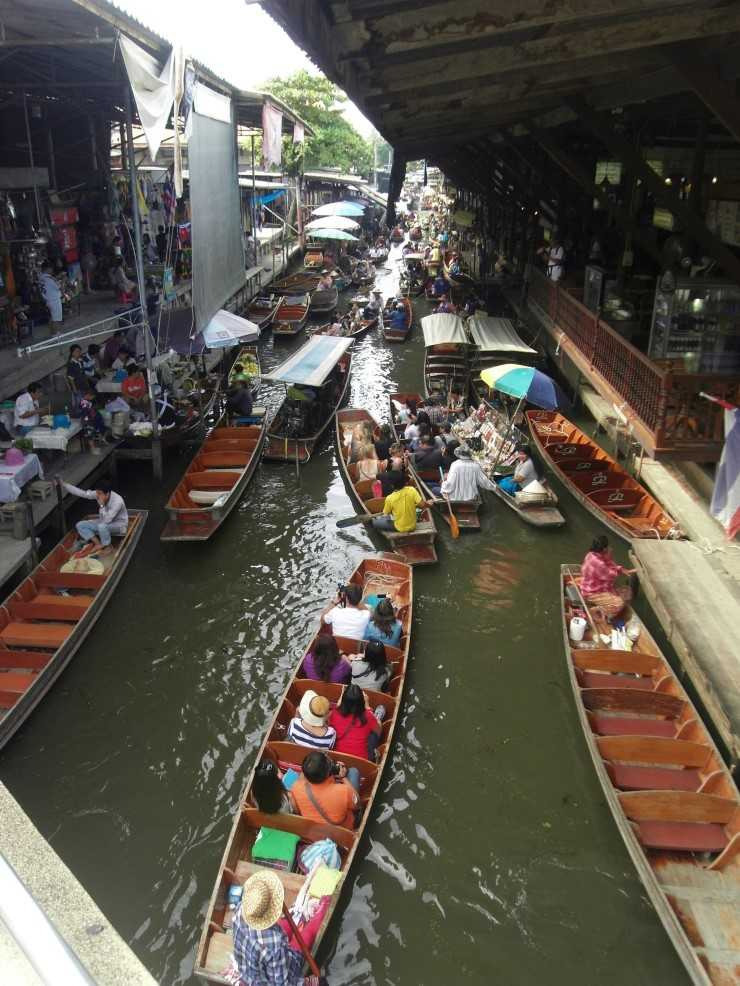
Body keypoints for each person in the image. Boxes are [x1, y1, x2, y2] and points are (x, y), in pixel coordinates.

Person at [232, 868, 328, 986]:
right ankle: (326, 903)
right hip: (266, 979)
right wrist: (305, 983)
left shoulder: (241, 909)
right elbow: (282, 983)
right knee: (307, 935)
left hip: (248, 971)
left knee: (286, 925)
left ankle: (300, 912)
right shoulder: (274, 943)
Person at [292, 751, 360, 830]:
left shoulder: (296, 787)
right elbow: (357, 805)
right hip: (342, 831)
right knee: (353, 772)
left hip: (316, 831)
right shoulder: (343, 791)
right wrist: (343, 777)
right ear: (328, 772)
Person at [61, 478, 129, 556]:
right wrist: (64, 484)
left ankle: (108, 546)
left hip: (120, 526)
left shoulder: (118, 501)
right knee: (80, 525)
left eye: (99, 493)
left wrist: (102, 505)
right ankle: (98, 543)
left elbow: (106, 520)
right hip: (103, 523)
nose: (97, 495)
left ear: (107, 494)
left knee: (102, 526)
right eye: (97, 493)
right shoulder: (98, 493)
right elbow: (82, 493)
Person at [580, 535, 637, 620]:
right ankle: (598, 610)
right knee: (619, 603)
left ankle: (604, 606)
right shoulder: (599, 563)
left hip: (598, 587)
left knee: (627, 592)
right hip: (592, 592)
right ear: (604, 549)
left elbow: (609, 563)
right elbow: (610, 574)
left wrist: (621, 569)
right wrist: (621, 570)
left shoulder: (591, 554)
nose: (610, 548)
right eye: (608, 547)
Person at [329, 684, 382, 761]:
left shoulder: (334, 713)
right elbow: (378, 730)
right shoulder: (368, 716)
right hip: (362, 760)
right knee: (378, 724)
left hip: (338, 758)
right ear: (362, 701)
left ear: (343, 700)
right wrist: (367, 707)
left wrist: (339, 703)